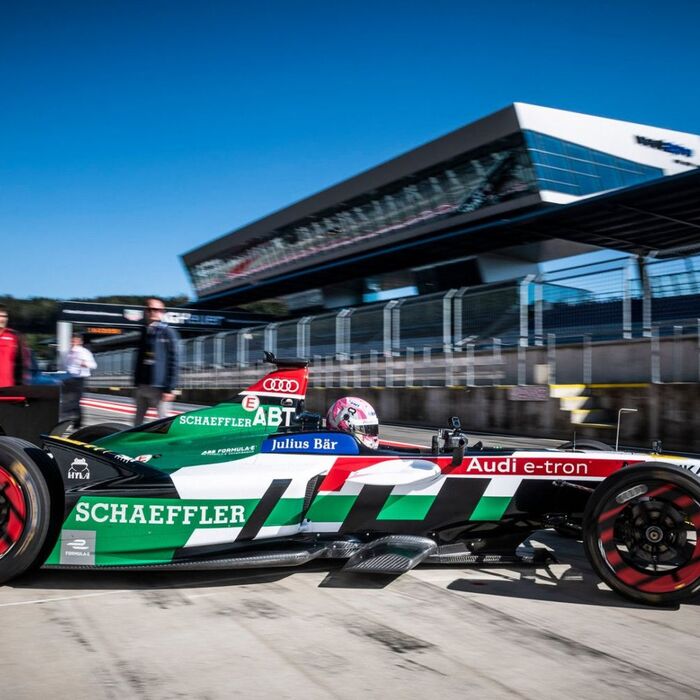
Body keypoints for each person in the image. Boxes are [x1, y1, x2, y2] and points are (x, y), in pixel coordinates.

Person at [133, 298, 180, 425]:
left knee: (163, 424)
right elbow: (139, 358)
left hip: (160, 387)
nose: (153, 312)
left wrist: (170, 388)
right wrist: (136, 382)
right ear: (145, 311)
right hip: (142, 386)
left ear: (162, 312)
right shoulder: (143, 331)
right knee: (137, 424)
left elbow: (174, 361)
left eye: (157, 310)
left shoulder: (168, 332)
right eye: (149, 309)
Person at [62, 333, 97, 429]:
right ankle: (70, 421)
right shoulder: (68, 353)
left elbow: (94, 365)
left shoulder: (84, 352)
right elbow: (65, 365)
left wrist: (85, 364)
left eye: (75, 341)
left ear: (80, 342)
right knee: (67, 401)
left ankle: (78, 423)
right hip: (68, 378)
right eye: (72, 341)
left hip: (79, 379)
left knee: (76, 401)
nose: (73, 343)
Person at [0, 303, 29, 388]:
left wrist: (21, 387)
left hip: (9, 390)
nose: (2, 319)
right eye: (0, 316)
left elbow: (22, 364)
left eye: (5, 316)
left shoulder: (15, 336)